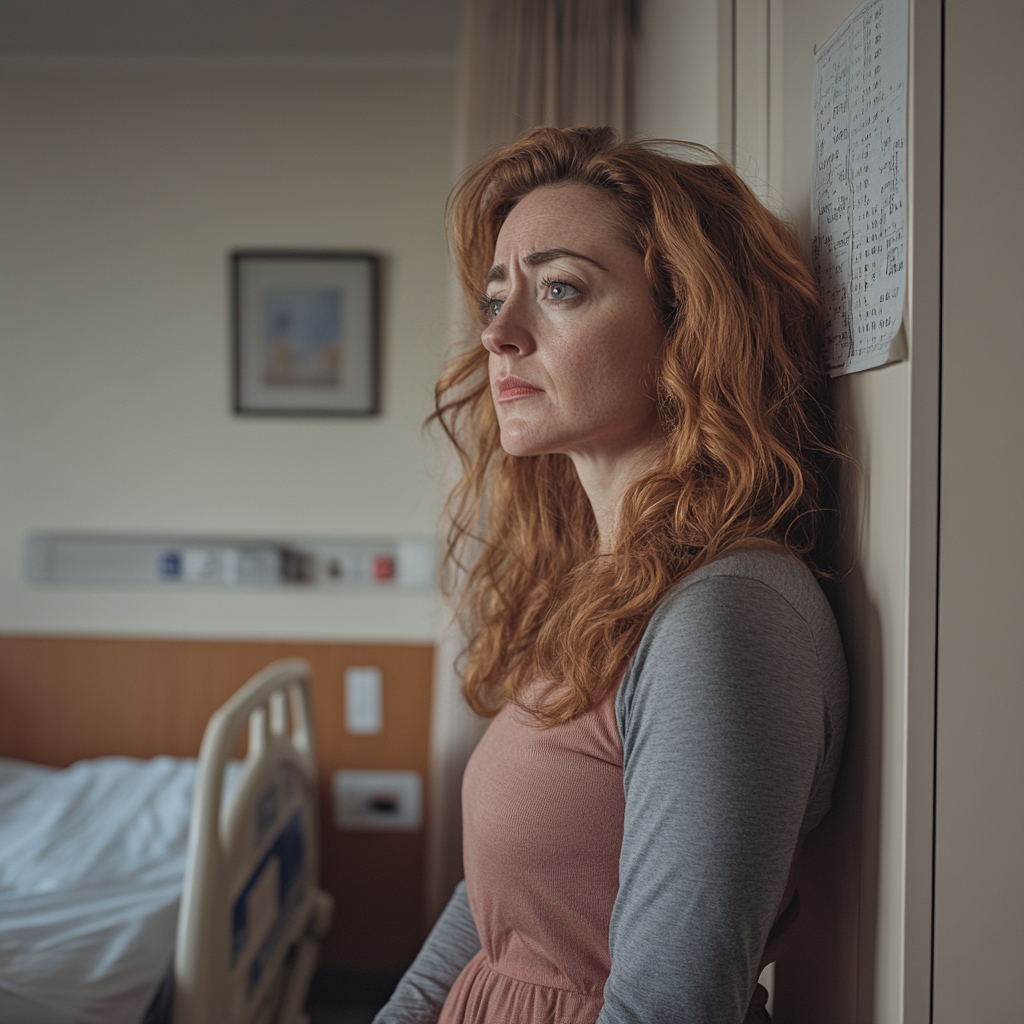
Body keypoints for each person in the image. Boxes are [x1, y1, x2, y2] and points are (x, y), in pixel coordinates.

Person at [374, 125, 847, 1024]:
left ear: (689, 326)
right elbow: (496, 906)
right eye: (494, 297)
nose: (500, 336)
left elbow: (672, 1007)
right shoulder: (597, 584)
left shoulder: (725, 615)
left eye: (559, 290)